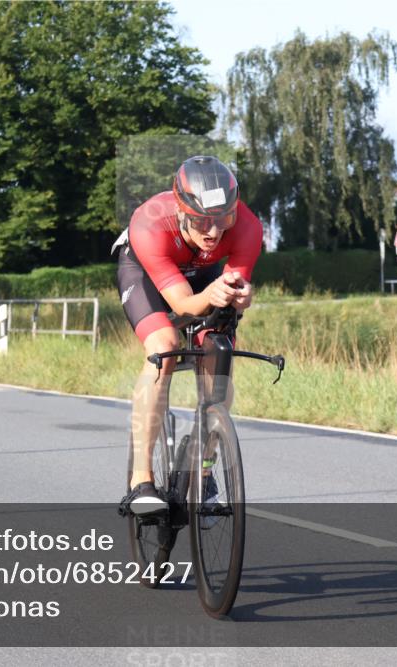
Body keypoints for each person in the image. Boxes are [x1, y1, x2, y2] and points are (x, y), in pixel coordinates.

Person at [114, 156, 263, 515]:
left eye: (223, 219)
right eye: (201, 221)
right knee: (164, 348)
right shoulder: (149, 224)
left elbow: (233, 289)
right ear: (182, 212)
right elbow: (182, 304)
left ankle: (205, 470)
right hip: (147, 273)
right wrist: (209, 297)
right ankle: (141, 481)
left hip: (202, 273)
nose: (213, 232)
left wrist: (242, 296)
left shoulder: (247, 226)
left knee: (219, 352)